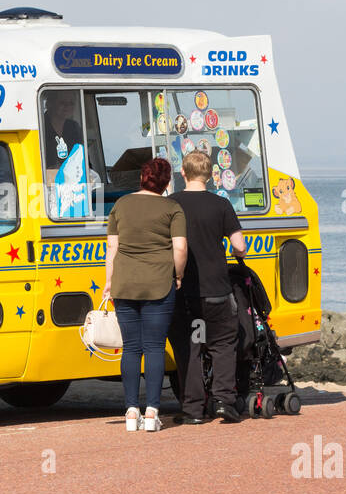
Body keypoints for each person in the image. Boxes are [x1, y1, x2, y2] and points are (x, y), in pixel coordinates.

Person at [104, 157, 187, 432]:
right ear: (165, 183)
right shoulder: (172, 208)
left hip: (124, 283)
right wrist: (178, 275)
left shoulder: (120, 205)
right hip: (159, 284)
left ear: (142, 177)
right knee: (154, 347)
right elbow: (180, 249)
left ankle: (130, 412)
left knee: (130, 348)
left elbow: (111, 250)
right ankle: (151, 412)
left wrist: (108, 282)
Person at [168, 151, 249, 423]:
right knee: (223, 345)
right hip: (217, 289)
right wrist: (238, 254)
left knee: (189, 346)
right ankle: (225, 402)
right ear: (210, 175)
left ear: (183, 174)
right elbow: (240, 247)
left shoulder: (172, 204)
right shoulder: (221, 204)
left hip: (185, 292)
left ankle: (193, 410)